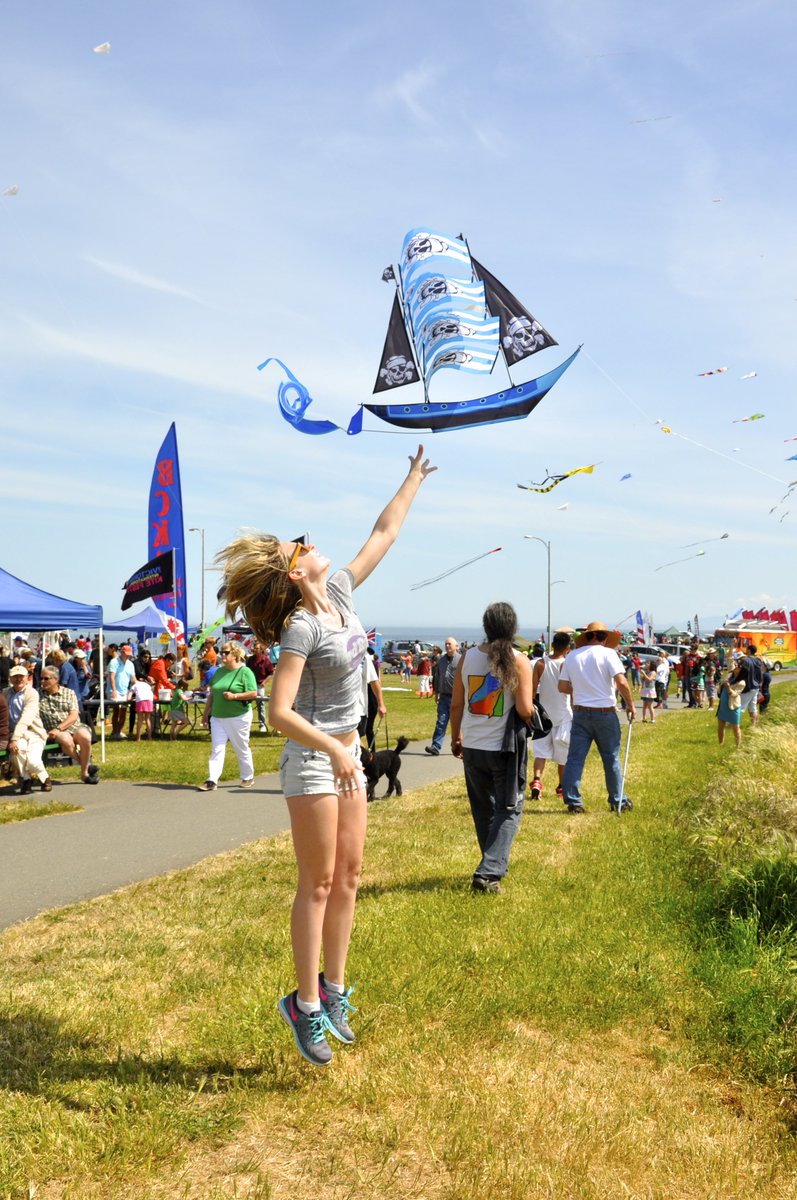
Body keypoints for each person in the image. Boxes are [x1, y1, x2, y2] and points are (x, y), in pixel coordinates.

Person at [217, 445, 435, 1066]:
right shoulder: (301, 629)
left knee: (350, 876)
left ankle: (335, 991)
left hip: (345, 757)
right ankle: (304, 1005)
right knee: (315, 883)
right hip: (314, 761)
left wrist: (412, 477)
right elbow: (279, 711)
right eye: (302, 544)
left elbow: (384, 532)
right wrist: (334, 750)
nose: (314, 543)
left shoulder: (339, 591)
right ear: (294, 572)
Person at [450, 603, 534, 894]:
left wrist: (455, 736)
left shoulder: (466, 657)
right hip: (504, 749)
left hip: (473, 746)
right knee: (510, 807)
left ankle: (491, 867)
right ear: (513, 628)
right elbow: (524, 709)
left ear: (485, 626)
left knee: (483, 809)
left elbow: (457, 703)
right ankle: (489, 871)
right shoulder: (520, 660)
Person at [558, 621, 636, 814]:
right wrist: (630, 705)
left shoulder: (572, 656)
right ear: (598, 637)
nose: (604, 640)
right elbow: (622, 682)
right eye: (603, 636)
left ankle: (573, 801)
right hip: (605, 712)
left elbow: (562, 687)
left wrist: (581, 688)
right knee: (611, 758)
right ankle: (618, 799)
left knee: (575, 758)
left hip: (581, 712)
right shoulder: (609, 654)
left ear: (587, 637)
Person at [198, 642, 258, 790]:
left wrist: (235, 696)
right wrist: (205, 714)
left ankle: (247, 777)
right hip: (218, 716)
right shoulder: (219, 671)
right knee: (217, 748)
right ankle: (212, 780)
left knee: (240, 747)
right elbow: (212, 693)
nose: (222, 655)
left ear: (235, 655)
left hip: (238, 716)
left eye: (226, 653)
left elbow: (253, 693)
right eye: (222, 653)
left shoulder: (245, 672)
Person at [529, 630, 573, 801]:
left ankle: (537, 782)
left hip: (543, 715)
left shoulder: (540, 663)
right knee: (563, 755)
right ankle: (562, 786)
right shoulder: (566, 664)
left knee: (541, 753)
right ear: (568, 648)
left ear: (552, 645)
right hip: (563, 713)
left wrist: (533, 707)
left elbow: (533, 690)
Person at [39, 667, 100, 784]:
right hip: (53, 731)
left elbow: (74, 715)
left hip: (72, 726)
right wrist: (55, 730)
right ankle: (86, 770)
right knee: (65, 739)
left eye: (46, 679)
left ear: (56, 679)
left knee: (85, 737)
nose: (42, 681)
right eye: (41, 678)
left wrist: (59, 728)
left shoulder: (68, 693)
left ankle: (84, 770)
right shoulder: (37, 694)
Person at [3, 664, 52, 794]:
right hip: (16, 734)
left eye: (21, 677)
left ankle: (45, 778)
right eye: (15, 677)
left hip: (34, 733)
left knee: (33, 761)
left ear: (27, 678)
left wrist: (14, 739)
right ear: (10, 679)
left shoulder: (32, 693)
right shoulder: (6, 692)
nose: (18, 679)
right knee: (17, 752)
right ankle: (26, 779)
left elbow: (26, 718)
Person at [425, 637, 460, 756]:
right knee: (441, 721)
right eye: (446, 644)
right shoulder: (441, 660)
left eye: (450, 644)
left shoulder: (461, 660)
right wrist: (436, 693)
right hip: (444, 697)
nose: (447, 646)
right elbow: (437, 677)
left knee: (458, 723)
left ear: (456, 646)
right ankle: (436, 746)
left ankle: (459, 745)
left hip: (457, 697)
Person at [109, 644, 137, 739]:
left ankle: (119, 731)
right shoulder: (114, 662)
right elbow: (111, 677)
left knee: (124, 711)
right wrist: (114, 690)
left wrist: (140, 685)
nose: (128, 656)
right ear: (122, 652)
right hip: (114, 690)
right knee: (116, 710)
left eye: (129, 654)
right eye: (126, 654)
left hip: (125, 691)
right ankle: (115, 731)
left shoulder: (131, 664)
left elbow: (133, 679)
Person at [732, 643, 763, 728]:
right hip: (756, 687)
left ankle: (734, 726)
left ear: (749, 650)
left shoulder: (746, 660)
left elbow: (740, 672)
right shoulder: (758, 661)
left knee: (739, 707)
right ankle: (754, 725)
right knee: (753, 708)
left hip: (748, 687)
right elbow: (760, 675)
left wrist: (735, 681)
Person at [247, 640, 274, 732]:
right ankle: (246, 722)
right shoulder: (250, 659)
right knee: (246, 703)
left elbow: (271, 673)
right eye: (254, 648)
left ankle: (262, 724)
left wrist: (264, 682)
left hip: (260, 685)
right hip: (250, 686)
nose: (255, 649)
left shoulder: (266, 661)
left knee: (261, 705)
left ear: (261, 650)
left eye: (257, 648)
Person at [716, 669, 743, 746]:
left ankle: (738, 746)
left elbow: (734, 694)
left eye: (738, 666)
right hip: (723, 704)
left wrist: (728, 687)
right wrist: (721, 684)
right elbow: (721, 685)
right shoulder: (729, 675)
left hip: (734, 706)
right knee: (721, 726)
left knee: (736, 728)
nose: (736, 667)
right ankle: (720, 744)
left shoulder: (742, 682)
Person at [131, 675, 155, 741]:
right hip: (149, 700)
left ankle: (138, 738)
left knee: (140, 720)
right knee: (147, 719)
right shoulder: (146, 684)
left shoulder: (134, 685)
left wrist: (131, 698)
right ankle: (149, 737)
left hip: (141, 701)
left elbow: (128, 697)